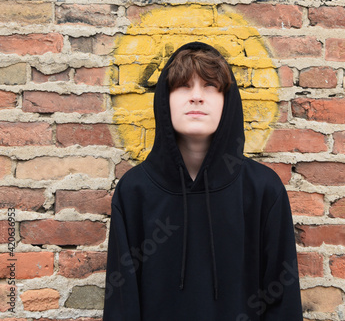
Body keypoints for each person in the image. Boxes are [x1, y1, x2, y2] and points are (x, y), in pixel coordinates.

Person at [103, 41, 303, 321]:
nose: (196, 97)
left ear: (227, 101)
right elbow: (122, 306)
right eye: (184, 86)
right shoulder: (135, 191)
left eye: (210, 86)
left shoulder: (262, 190)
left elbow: (283, 304)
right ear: (165, 99)